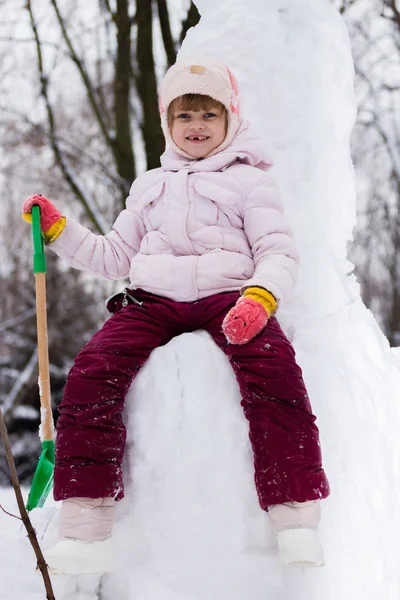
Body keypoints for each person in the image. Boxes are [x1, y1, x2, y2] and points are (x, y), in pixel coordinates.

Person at [22, 58, 329, 573]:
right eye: (184, 116)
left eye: (208, 114)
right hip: (153, 300)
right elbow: (115, 256)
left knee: (275, 372)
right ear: (168, 123)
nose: (196, 127)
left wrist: (261, 298)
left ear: (230, 120)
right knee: (92, 371)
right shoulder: (149, 186)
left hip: (229, 296)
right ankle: (86, 531)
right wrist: (60, 231)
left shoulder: (250, 183)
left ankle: (295, 518)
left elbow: (278, 250)